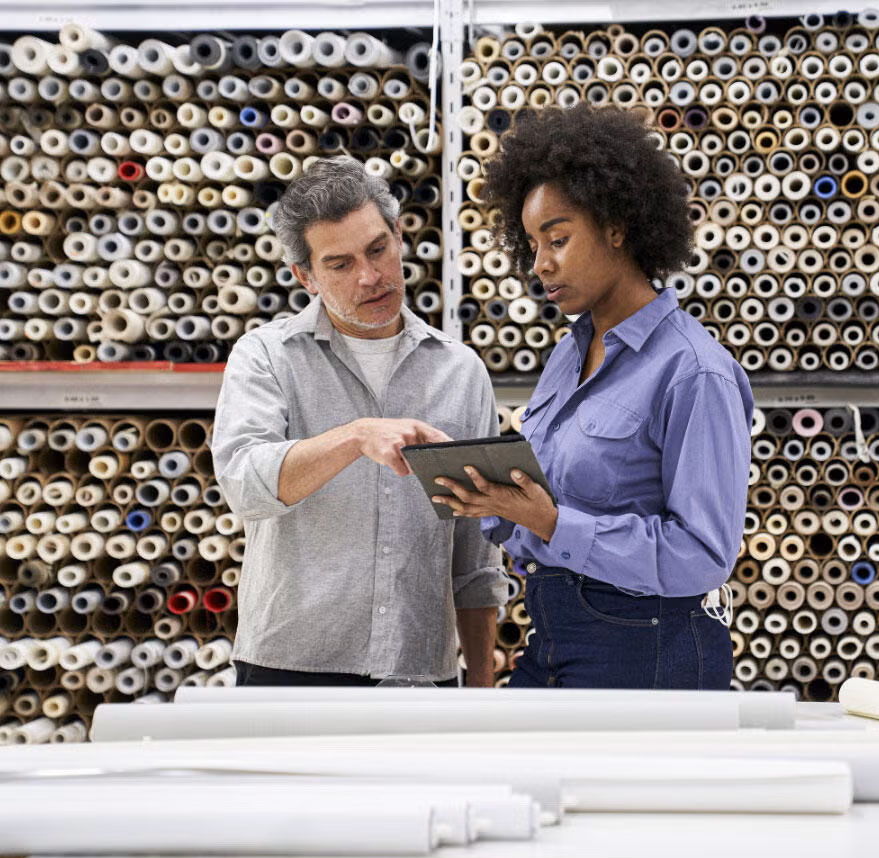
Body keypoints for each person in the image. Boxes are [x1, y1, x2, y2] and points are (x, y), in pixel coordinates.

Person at [432, 104, 753, 689]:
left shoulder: (694, 372)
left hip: (649, 647)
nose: (541, 264)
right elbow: (552, 509)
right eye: (532, 244)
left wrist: (551, 523)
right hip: (555, 634)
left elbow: (704, 555)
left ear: (616, 227)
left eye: (558, 239)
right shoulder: (569, 354)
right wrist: (493, 499)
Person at [212, 157, 505, 688]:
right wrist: (355, 436)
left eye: (377, 249)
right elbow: (244, 484)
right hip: (290, 667)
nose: (370, 278)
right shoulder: (266, 356)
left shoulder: (460, 371)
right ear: (305, 276)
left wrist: (482, 687)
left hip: (418, 671)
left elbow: (475, 554)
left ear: (398, 236)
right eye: (340, 265)